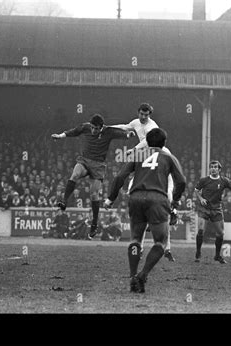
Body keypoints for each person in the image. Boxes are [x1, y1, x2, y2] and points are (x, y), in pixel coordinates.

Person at [103, 128, 186, 293]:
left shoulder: (138, 155)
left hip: (136, 197)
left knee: (135, 240)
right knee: (160, 243)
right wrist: (175, 201)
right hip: (158, 198)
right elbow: (181, 181)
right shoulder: (169, 158)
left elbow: (120, 177)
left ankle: (133, 276)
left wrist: (111, 198)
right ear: (164, 143)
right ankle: (143, 275)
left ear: (147, 142)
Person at [51, 113, 134, 239]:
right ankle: (64, 201)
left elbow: (122, 133)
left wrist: (128, 135)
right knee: (75, 174)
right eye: (92, 128)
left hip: (98, 165)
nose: (94, 130)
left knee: (94, 194)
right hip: (84, 160)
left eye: (96, 129)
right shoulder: (85, 127)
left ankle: (94, 223)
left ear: (101, 127)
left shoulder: (108, 131)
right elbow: (74, 131)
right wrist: (60, 136)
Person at [111, 102, 176, 261]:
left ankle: (172, 211)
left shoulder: (152, 127)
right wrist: (107, 128)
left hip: (157, 155)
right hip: (145, 156)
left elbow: (148, 141)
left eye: (146, 115)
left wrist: (134, 150)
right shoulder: (135, 122)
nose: (143, 117)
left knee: (166, 192)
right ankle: (140, 247)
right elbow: (125, 127)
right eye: (141, 114)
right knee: (136, 188)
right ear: (138, 112)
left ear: (150, 115)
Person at [194, 160, 231, 263]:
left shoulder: (224, 181)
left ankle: (217, 255)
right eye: (211, 167)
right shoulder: (204, 180)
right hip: (204, 208)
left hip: (216, 209)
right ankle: (198, 252)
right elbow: (196, 190)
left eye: (215, 167)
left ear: (219, 169)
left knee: (220, 233)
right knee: (201, 230)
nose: (213, 169)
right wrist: (201, 199)